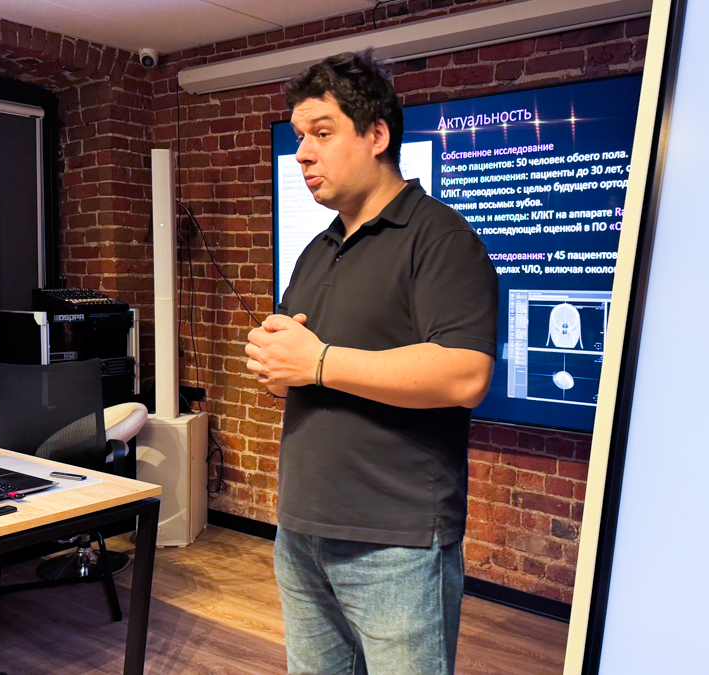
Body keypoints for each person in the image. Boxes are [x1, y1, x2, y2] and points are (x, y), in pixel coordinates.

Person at [244, 50, 499, 675]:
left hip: (395, 542)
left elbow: (465, 374)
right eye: (299, 137)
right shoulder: (317, 249)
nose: (303, 154)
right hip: (301, 530)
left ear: (377, 135)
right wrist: (278, 364)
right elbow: (294, 373)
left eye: (322, 133)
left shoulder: (440, 238)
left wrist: (318, 362)